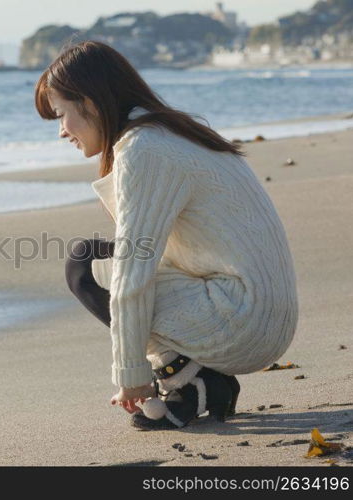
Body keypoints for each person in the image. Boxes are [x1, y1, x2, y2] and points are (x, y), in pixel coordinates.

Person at [34, 41, 299, 430]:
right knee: (96, 253)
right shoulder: (172, 131)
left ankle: (185, 384)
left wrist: (131, 375)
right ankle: (205, 379)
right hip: (264, 311)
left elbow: (132, 277)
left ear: (90, 102)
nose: (61, 132)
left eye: (61, 115)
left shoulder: (146, 148)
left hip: (244, 322)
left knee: (85, 266)